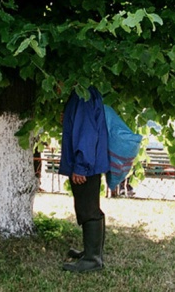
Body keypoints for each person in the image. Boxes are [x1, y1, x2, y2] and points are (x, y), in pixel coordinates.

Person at [59, 86, 110, 273]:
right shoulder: (83, 93)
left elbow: (87, 134)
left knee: (88, 209)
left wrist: (81, 166)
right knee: (89, 206)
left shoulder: (83, 95)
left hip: (86, 166)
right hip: (89, 164)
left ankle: (92, 259)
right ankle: (91, 253)